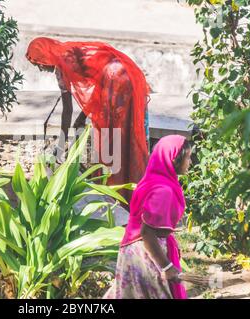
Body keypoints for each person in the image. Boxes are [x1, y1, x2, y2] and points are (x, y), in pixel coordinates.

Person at [26, 37, 150, 205]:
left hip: (115, 80)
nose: (41, 68)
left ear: (45, 57)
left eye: (39, 63)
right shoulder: (69, 51)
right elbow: (96, 88)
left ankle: (116, 193)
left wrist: (61, 147)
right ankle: (132, 189)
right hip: (125, 72)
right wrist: (81, 118)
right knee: (127, 134)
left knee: (109, 139)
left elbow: (67, 110)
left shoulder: (62, 67)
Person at [104, 135, 192, 299]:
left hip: (132, 251)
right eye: (188, 157)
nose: (190, 162)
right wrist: (166, 266)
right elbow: (147, 232)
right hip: (146, 255)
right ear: (175, 159)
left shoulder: (151, 181)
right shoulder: (163, 190)